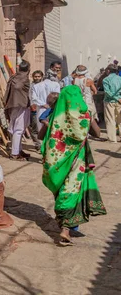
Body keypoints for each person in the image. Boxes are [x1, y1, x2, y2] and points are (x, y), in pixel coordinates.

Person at [42, 86, 107, 246]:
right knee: (71, 191)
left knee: (61, 190)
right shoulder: (85, 116)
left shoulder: (55, 115)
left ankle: (64, 223)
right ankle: (65, 229)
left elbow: (40, 135)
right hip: (76, 162)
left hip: (55, 163)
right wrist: (90, 118)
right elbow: (98, 134)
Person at [4, 60, 31, 160]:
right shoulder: (24, 78)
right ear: (28, 69)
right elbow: (19, 87)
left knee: (15, 128)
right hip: (21, 105)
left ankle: (18, 149)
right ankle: (15, 153)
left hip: (12, 104)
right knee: (19, 129)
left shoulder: (14, 76)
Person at [31, 69, 61, 134]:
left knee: (41, 129)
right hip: (53, 109)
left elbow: (34, 98)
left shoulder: (36, 86)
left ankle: (43, 143)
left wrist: (43, 104)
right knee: (53, 129)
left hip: (41, 109)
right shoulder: (56, 85)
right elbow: (57, 96)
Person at [102, 64, 121, 142]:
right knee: (120, 119)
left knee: (110, 119)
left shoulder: (106, 79)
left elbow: (107, 92)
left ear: (108, 70)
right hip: (120, 100)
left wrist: (116, 98)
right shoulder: (120, 78)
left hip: (109, 101)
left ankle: (112, 139)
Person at [28, 70, 44, 149]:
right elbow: (30, 97)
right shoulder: (31, 86)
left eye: (39, 76)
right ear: (33, 77)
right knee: (35, 128)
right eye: (35, 76)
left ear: (42, 77)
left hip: (44, 109)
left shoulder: (44, 85)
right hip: (34, 108)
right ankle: (38, 145)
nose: (37, 78)